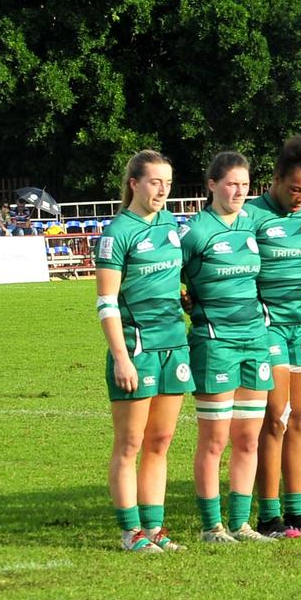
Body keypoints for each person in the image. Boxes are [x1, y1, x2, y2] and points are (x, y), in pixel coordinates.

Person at [98, 150, 187, 552]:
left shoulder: (170, 224)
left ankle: (154, 529)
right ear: (134, 183)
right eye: (155, 182)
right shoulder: (118, 233)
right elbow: (106, 303)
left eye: (167, 183)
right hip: (137, 348)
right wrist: (120, 356)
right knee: (130, 443)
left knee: (161, 440)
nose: (162, 191)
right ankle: (129, 531)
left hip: (174, 345)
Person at [181, 152, 273, 543]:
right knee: (215, 439)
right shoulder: (196, 231)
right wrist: (184, 296)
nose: (239, 191)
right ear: (212, 185)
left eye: (245, 185)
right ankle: (211, 526)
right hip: (215, 343)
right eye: (232, 184)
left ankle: (240, 523)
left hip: (255, 340)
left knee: (249, 438)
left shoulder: (253, 225)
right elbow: (170, 277)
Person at [247, 135, 301, 537]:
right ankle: (269, 516)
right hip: (267, 325)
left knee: (300, 419)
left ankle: (297, 514)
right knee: (275, 419)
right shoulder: (251, 216)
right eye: (295, 189)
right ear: (276, 179)